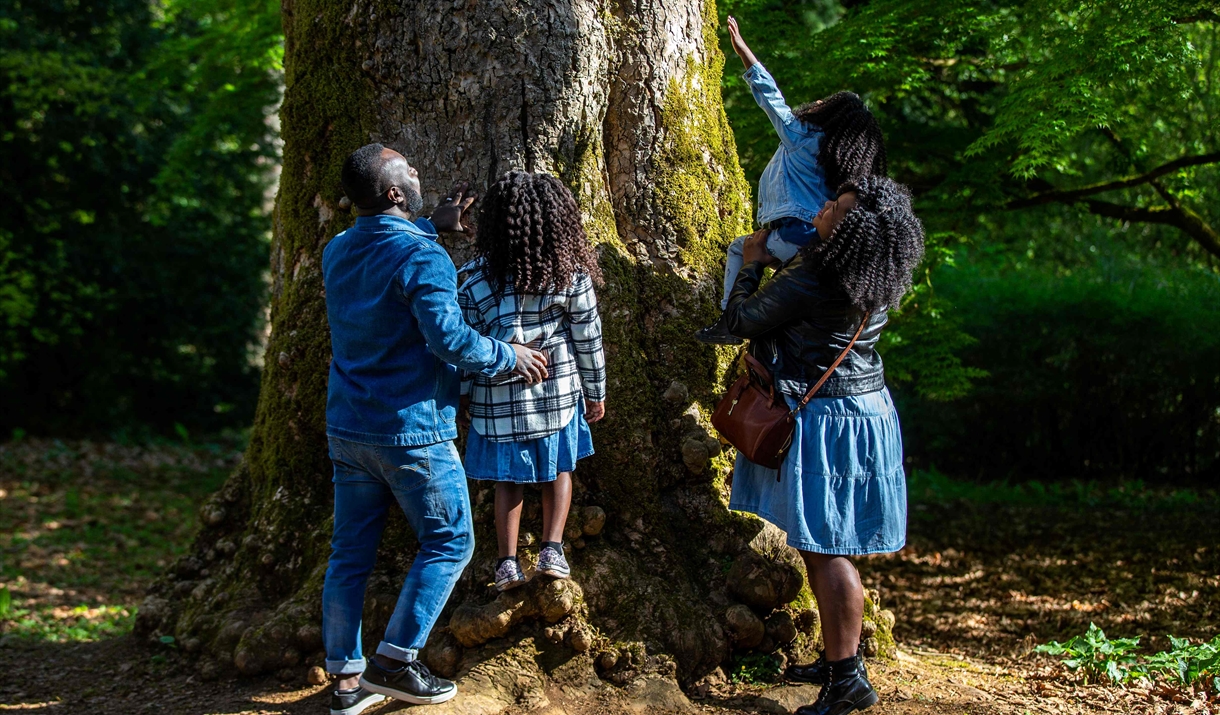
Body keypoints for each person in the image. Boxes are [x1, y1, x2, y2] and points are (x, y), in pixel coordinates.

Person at [320, 143, 549, 715]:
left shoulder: (338, 249)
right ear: (395, 192)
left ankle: (345, 684)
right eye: (410, 169)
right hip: (412, 432)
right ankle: (395, 663)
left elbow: (385, 261)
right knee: (451, 541)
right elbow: (449, 340)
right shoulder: (425, 258)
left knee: (349, 555)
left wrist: (428, 226)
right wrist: (510, 355)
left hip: (348, 428)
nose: (420, 170)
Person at [723, 176, 925, 715]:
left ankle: (847, 679)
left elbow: (740, 320)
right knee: (827, 541)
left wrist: (751, 262)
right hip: (865, 411)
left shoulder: (817, 273)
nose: (825, 206)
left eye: (836, 207)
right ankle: (841, 659)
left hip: (829, 417)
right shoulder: (872, 271)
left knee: (825, 546)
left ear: (852, 230)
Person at [696, 15, 887, 346]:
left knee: (740, 248)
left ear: (829, 114)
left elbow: (772, 100)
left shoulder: (803, 137)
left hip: (791, 236)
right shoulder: (840, 162)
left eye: (825, 104)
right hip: (814, 244)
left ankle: (729, 322)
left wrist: (745, 53)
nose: (817, 103)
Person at [456, 171, 607, 592]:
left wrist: (463, 397)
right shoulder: (570, 275)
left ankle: (506, 562)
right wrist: (596, 393)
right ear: (560, 222)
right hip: (556, 397)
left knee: (507, 480)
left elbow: (463, 346)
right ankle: (552, 549)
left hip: (496, 403)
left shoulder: (474, 278)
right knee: (559, 470)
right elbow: (588, 338)